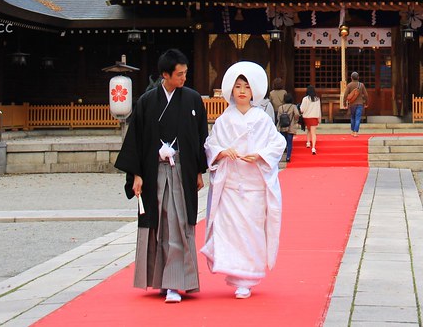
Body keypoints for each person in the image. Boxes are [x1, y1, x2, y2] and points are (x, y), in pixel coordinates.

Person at [114, 49, 208, 304]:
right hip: (154, 170)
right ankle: (161, 281)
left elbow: (199, 137)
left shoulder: (192, 100)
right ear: (165, 75)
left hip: (180, 170)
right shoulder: (146, 102)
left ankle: (176, 283)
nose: (184, 78)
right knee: (159, 226)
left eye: (186, 73)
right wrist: (136, 175)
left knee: (178, 224)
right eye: (179, 74)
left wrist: (199, 170)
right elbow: (136, 140)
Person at [201, 61, 285, 299]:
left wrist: (260, 155)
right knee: (230, 231)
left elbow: (277, 143)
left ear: (253, 91)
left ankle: (248, 278)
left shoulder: (261, 118)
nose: (241, 91)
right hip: (230, 186)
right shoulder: (224, 120)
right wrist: (221, 151)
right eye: (237, 86)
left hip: (254, 185)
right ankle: (237, 276)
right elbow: (210, 144)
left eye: (246, 87)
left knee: (251, 232)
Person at [275, 92, 301, 163]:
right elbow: (297, 114)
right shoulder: (293, 107)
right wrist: (295, 121)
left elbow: (278, 117)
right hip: (291, 126)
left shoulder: (281, 107)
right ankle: (288, 157)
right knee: (290, 142)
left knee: (283, 141)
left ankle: (280, 156)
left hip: (282, 126)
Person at [343, 71, 369, 136]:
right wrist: (366, 103)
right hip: (360, 103)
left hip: (352, 104)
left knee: (352, 117)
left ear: (351, 78)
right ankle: (356, 132)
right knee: (358, 118)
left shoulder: (349, 85)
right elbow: (366, 95)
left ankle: (352, 131)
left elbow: (345, 95)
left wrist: (344, 104)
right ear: (358, 77)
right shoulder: (361, 85)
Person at [299, 85, 321, 155]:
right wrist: (319, 118)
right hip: (314, 117)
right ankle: (313, 147)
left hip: (307, 117)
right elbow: (319, 110)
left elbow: (302, 109)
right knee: (313, 133)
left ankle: (308, 142)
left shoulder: (305, 99)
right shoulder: (317, 99)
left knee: (308, 130)